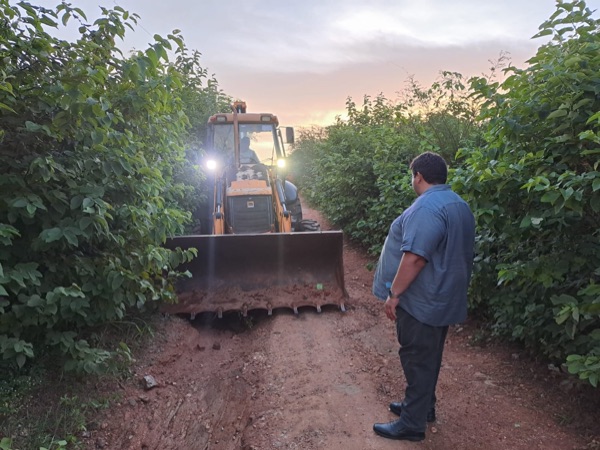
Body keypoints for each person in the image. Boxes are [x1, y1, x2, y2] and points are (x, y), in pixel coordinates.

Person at [372, 151, 475, 442]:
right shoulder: (457, 203)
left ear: (418, 176)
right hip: (444, 297)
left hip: (422, 301)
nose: (412, 179)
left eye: (411, 175)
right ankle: (422, 407)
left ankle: (411, 424)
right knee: (429, 356)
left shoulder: (427, 207)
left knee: (416, 358)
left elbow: (415, 258)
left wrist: (394, 294)